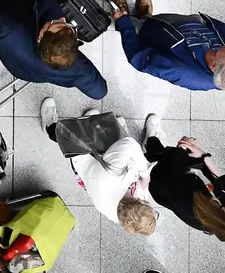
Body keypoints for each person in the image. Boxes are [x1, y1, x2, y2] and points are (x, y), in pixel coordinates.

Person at [38, 97, 157, 236]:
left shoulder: (112, 176)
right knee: (113, 142)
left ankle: (50, 127)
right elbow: (138, 192)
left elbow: (128, 144)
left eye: (149, 207)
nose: (150, 204)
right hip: (98, 170)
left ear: (138, 202)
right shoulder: (124, 215)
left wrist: (145, 174)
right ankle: (98, 125)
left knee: (67, 137)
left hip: (88, 156)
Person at [142, 114, 225, 244]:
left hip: (163, 182)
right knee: (164, 155)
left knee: (153, 159)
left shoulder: (191, 210)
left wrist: (182, 148)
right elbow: (223, 184)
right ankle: (151, 146)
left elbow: (171, 173)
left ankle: (145, 143)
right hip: (186, 179)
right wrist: (203, 156)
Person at [117, 0, 225, 92]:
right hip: (185, 26)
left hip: (160, 37)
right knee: (162, 19)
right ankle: (147, 17)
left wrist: (124, 25)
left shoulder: (180, 71)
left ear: (214, 66)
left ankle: (125, 18)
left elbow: (138, 58)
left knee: (138, 27)